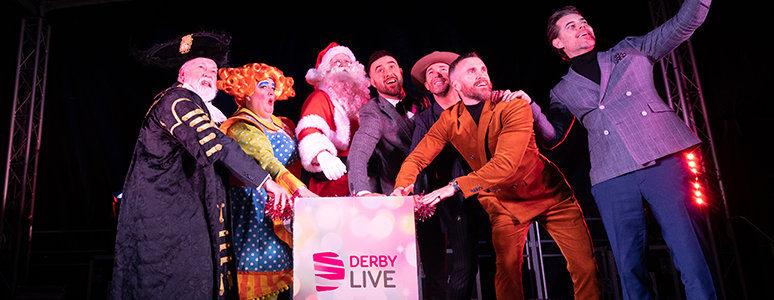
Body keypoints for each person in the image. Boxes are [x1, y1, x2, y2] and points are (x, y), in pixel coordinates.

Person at [535, 1, 716, 298]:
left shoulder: (630, 50)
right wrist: (529, 109)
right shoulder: (562, 91)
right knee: (629, 266)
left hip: (662, 159)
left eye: (583, 21)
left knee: (689, 251)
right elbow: (552, 136)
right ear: (558, 43)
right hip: (611, 175)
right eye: (572, 26)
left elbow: (683, 23)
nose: (583, 26)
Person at [392, 53, 601, 300]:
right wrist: (401, 188)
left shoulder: (513, 105)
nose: (481, 74)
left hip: (549, 196)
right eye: (471, 71)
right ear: (455, 84)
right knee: (507, 272)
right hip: (503, 203)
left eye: (483, 69)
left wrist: (453, 187)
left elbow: (506, 164)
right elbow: (418, 157)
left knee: (584, 267)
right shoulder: (450, 119)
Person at [111, 31, 291, 299]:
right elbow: (217, 145)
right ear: (182, 75)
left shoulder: (207, 111)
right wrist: (267, 183)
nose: (208, 73)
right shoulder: (177, 101)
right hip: (167, 223)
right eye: (200, 67)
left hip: (191, 217)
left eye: (213, 69)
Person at [218, 62, 318, 300]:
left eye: (274, 86)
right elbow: (267, 161)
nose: (271, 91)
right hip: (256, 210)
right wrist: (300, 190)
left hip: (285, 209)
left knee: (292, 277)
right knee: (264, 276)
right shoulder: (242, 126)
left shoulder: (284, 124)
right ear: (247, 92)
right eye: (264, 85)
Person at [407, 51, 497, 300]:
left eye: (443, 69)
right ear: (426, 85)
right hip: (456, 202)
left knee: (500, 263)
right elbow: (417, 160)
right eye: (430, 73)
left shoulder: (480, 106)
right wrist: (414, 195)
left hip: (492, 193)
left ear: (455, 78)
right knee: (464, 266)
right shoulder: (425, 119)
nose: (437, 74)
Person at [295, 42, 371, 197]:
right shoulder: (320, 98)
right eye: (337, 62)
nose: (343, 66)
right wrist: (322, 154)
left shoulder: (363, 101)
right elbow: (309, 128)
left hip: (365, 181)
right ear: (326, 71)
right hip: (332, 181)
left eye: (348, 62)